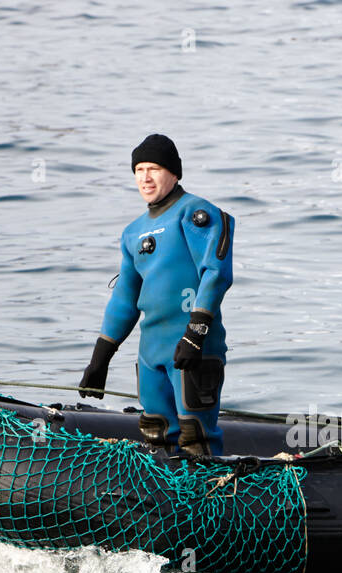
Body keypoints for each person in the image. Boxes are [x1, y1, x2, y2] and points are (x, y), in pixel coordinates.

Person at [78, 133, 234, 457]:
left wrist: (195, 333)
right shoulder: (133, 232)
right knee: (156, 433)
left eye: (154, 168)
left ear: (174, 173)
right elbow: (124, 297)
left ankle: (209, 500)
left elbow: (216, 274)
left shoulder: (195, 213)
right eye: (139, 170)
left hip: (193, 348)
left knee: (196, 435)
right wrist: (101, 357)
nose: (145, 177)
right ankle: (163, 501)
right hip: (151, 352)